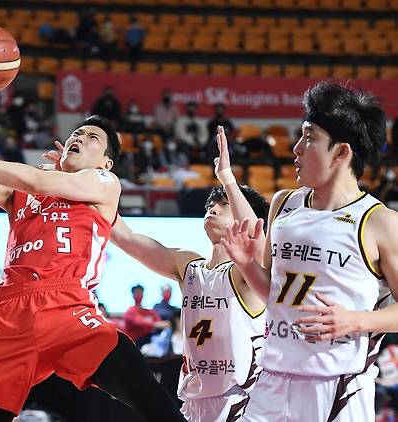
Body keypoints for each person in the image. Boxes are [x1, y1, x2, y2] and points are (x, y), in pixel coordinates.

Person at [0, 66, 183, 422]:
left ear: (106, 161)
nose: (81, 137)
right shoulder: (24, 195)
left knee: (147, 394)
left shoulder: (103, 183)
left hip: (67, 309)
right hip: (10, 315)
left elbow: (33, 179)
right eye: (78, 133)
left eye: (92, 137)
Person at [50, 125, 268, 421]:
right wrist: (77, 179)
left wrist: (228, 178)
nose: (213, 208)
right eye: (211, 203)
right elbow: (124, 236)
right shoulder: (189, 266)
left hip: (243, 401)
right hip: (193, 401)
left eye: (224, 204)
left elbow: (255, 234)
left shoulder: (249, 273)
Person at [220, 81, 398, 422]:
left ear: (342, 152)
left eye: (309, 137)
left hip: (336, 387)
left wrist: (357, 320)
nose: (296, 148)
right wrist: (245, 263)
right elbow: (276, 296)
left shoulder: (379, 223)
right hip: (271, 376)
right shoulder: (283, 203)